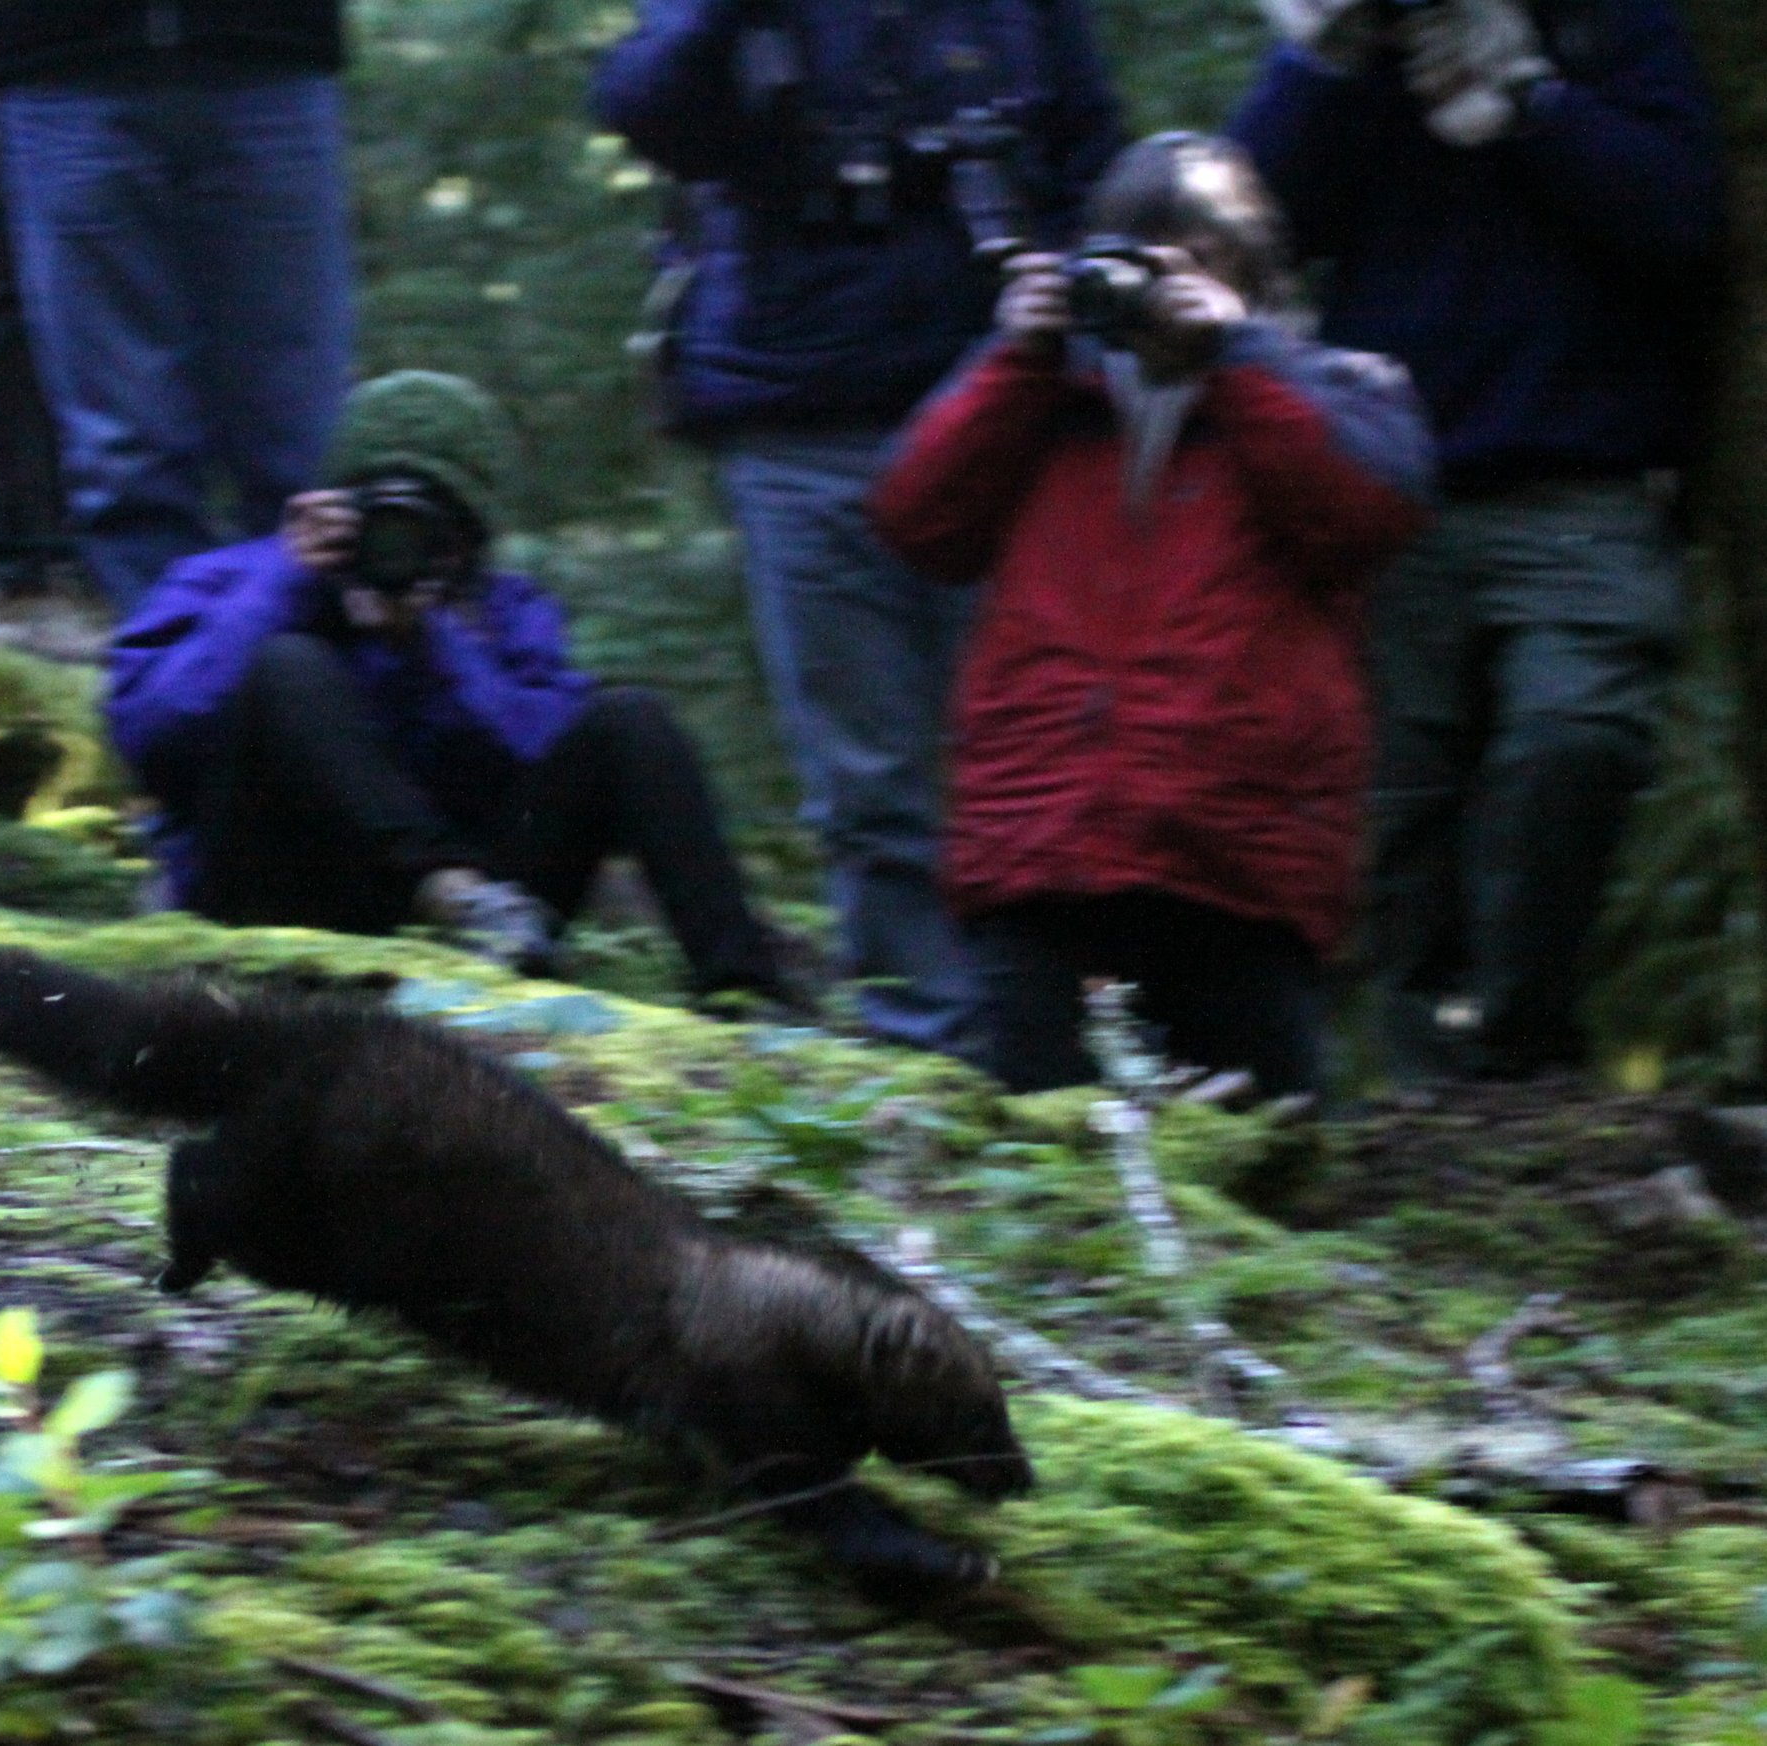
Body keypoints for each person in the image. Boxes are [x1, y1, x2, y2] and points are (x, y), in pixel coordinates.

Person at [593, 0, 1123, 1054]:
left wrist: (1071, 291)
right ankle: (927, 1057)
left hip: (996, 404)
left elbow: (1091, 153)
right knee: (868, 781)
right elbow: (645, 107)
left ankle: (1052, 1049)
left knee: (1032, 750)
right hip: (796, 416)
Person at [868, 134, 1433, 1096]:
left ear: (1249, 271)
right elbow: (916, 518)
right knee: (1044, 1169)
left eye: (1198, 262)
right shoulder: (1043, 393)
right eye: (1141, 258)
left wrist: (1240, 353)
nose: (1163, 289)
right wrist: (1019, 355)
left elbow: (1368, 515)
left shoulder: (1332, 384)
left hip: (1239, 860)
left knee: (1261, 1183)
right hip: (1042, 850)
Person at [1229, 0, 1724, 1081]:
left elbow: (1681, 217)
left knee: (1573, 740)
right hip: (1389, 495)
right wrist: (1321, 59)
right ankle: (1431, 1122)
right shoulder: (1358, 52)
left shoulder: (1612, 25)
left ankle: (1520, 1062)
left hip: (1582, 481)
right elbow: (1245, 229)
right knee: (1398, 820)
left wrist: (1532, 109)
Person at [107, 371, 795, 1006]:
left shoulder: (501, 613)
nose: (398, 542)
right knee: (290, 665)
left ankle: (748, 994)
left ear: (470, 538)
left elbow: (551, 749)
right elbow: (151, 735)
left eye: (435, 525)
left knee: (632, 719)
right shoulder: (238, 578)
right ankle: (444, 892)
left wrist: (436, 650)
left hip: (492, 921)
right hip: (279, 887)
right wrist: (287, 585)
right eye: (377, 513)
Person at [0, 0, 352, 611]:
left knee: (301, 439)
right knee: (125, 453)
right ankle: (171, 676)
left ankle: (311, 676)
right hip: (59, 58)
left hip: (268, 51)